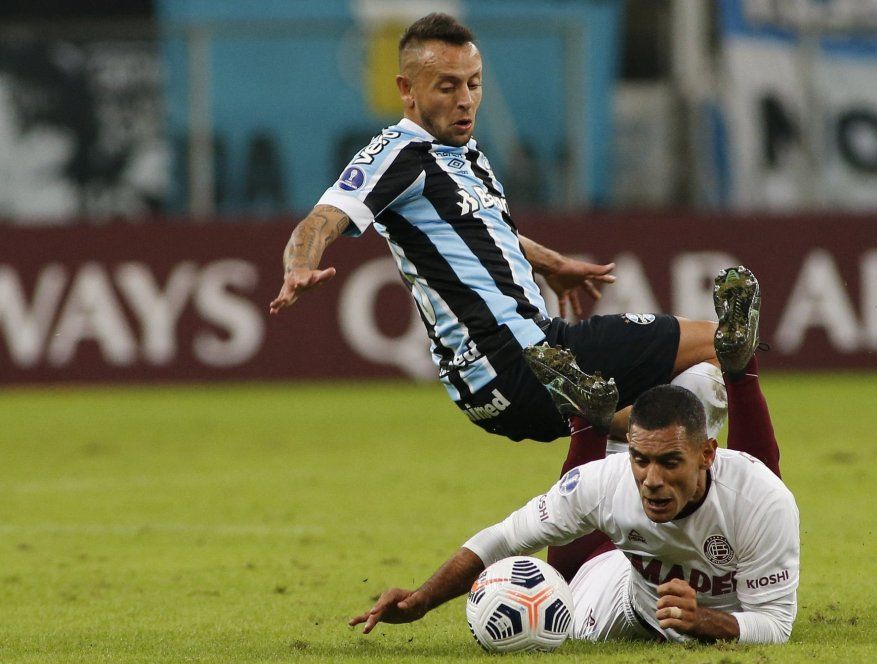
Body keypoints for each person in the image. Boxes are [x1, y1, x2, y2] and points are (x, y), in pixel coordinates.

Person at [268, 12, 729, 443]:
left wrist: (550, 264)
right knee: (723, 344)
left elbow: (477, 231)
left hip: (493, 384)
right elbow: (320, 221)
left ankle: (604, 509)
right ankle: (748, 480)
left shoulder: (464, 157)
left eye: (473, 83)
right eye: (447, 87)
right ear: (407, 89)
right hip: (522, 359)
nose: (465, 99)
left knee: (645, 425)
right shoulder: (399, 155)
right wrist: (299, 267)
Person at [349, 279, 800, 644]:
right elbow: (503, 539)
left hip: (704, 594)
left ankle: (594, 418)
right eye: (641, 460)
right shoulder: (612, 479)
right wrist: (422, 600)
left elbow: (775, 626)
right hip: (628, 597)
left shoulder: (763, 499)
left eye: (669, 462)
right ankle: (604, 417)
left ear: (708, 453)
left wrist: (704, 620)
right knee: (565, 580)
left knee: (708, 387)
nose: (652, 481)